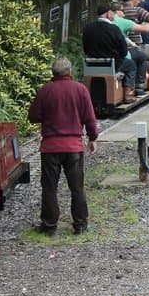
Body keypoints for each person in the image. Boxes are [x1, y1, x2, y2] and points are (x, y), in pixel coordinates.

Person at [28, 57, 98, 235]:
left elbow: (33, 116)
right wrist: (92, 137)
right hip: (73, 147)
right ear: (70, 72)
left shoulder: (45, 91)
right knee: (77, 187)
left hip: (50, 147)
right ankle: (80, 224)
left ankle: (49, 226)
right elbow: (90, 117)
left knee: (50, 187)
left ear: (53, 73)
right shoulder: (80, 89)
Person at [83, 4, 147, 101]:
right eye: (113, 13)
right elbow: (123, 51)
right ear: (108, 14)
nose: (114, 15)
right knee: (131, 65)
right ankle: (128, 94)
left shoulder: (88, 28)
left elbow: (86, 49)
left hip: (92, 65)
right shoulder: (114, 29)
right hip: (112, 65)